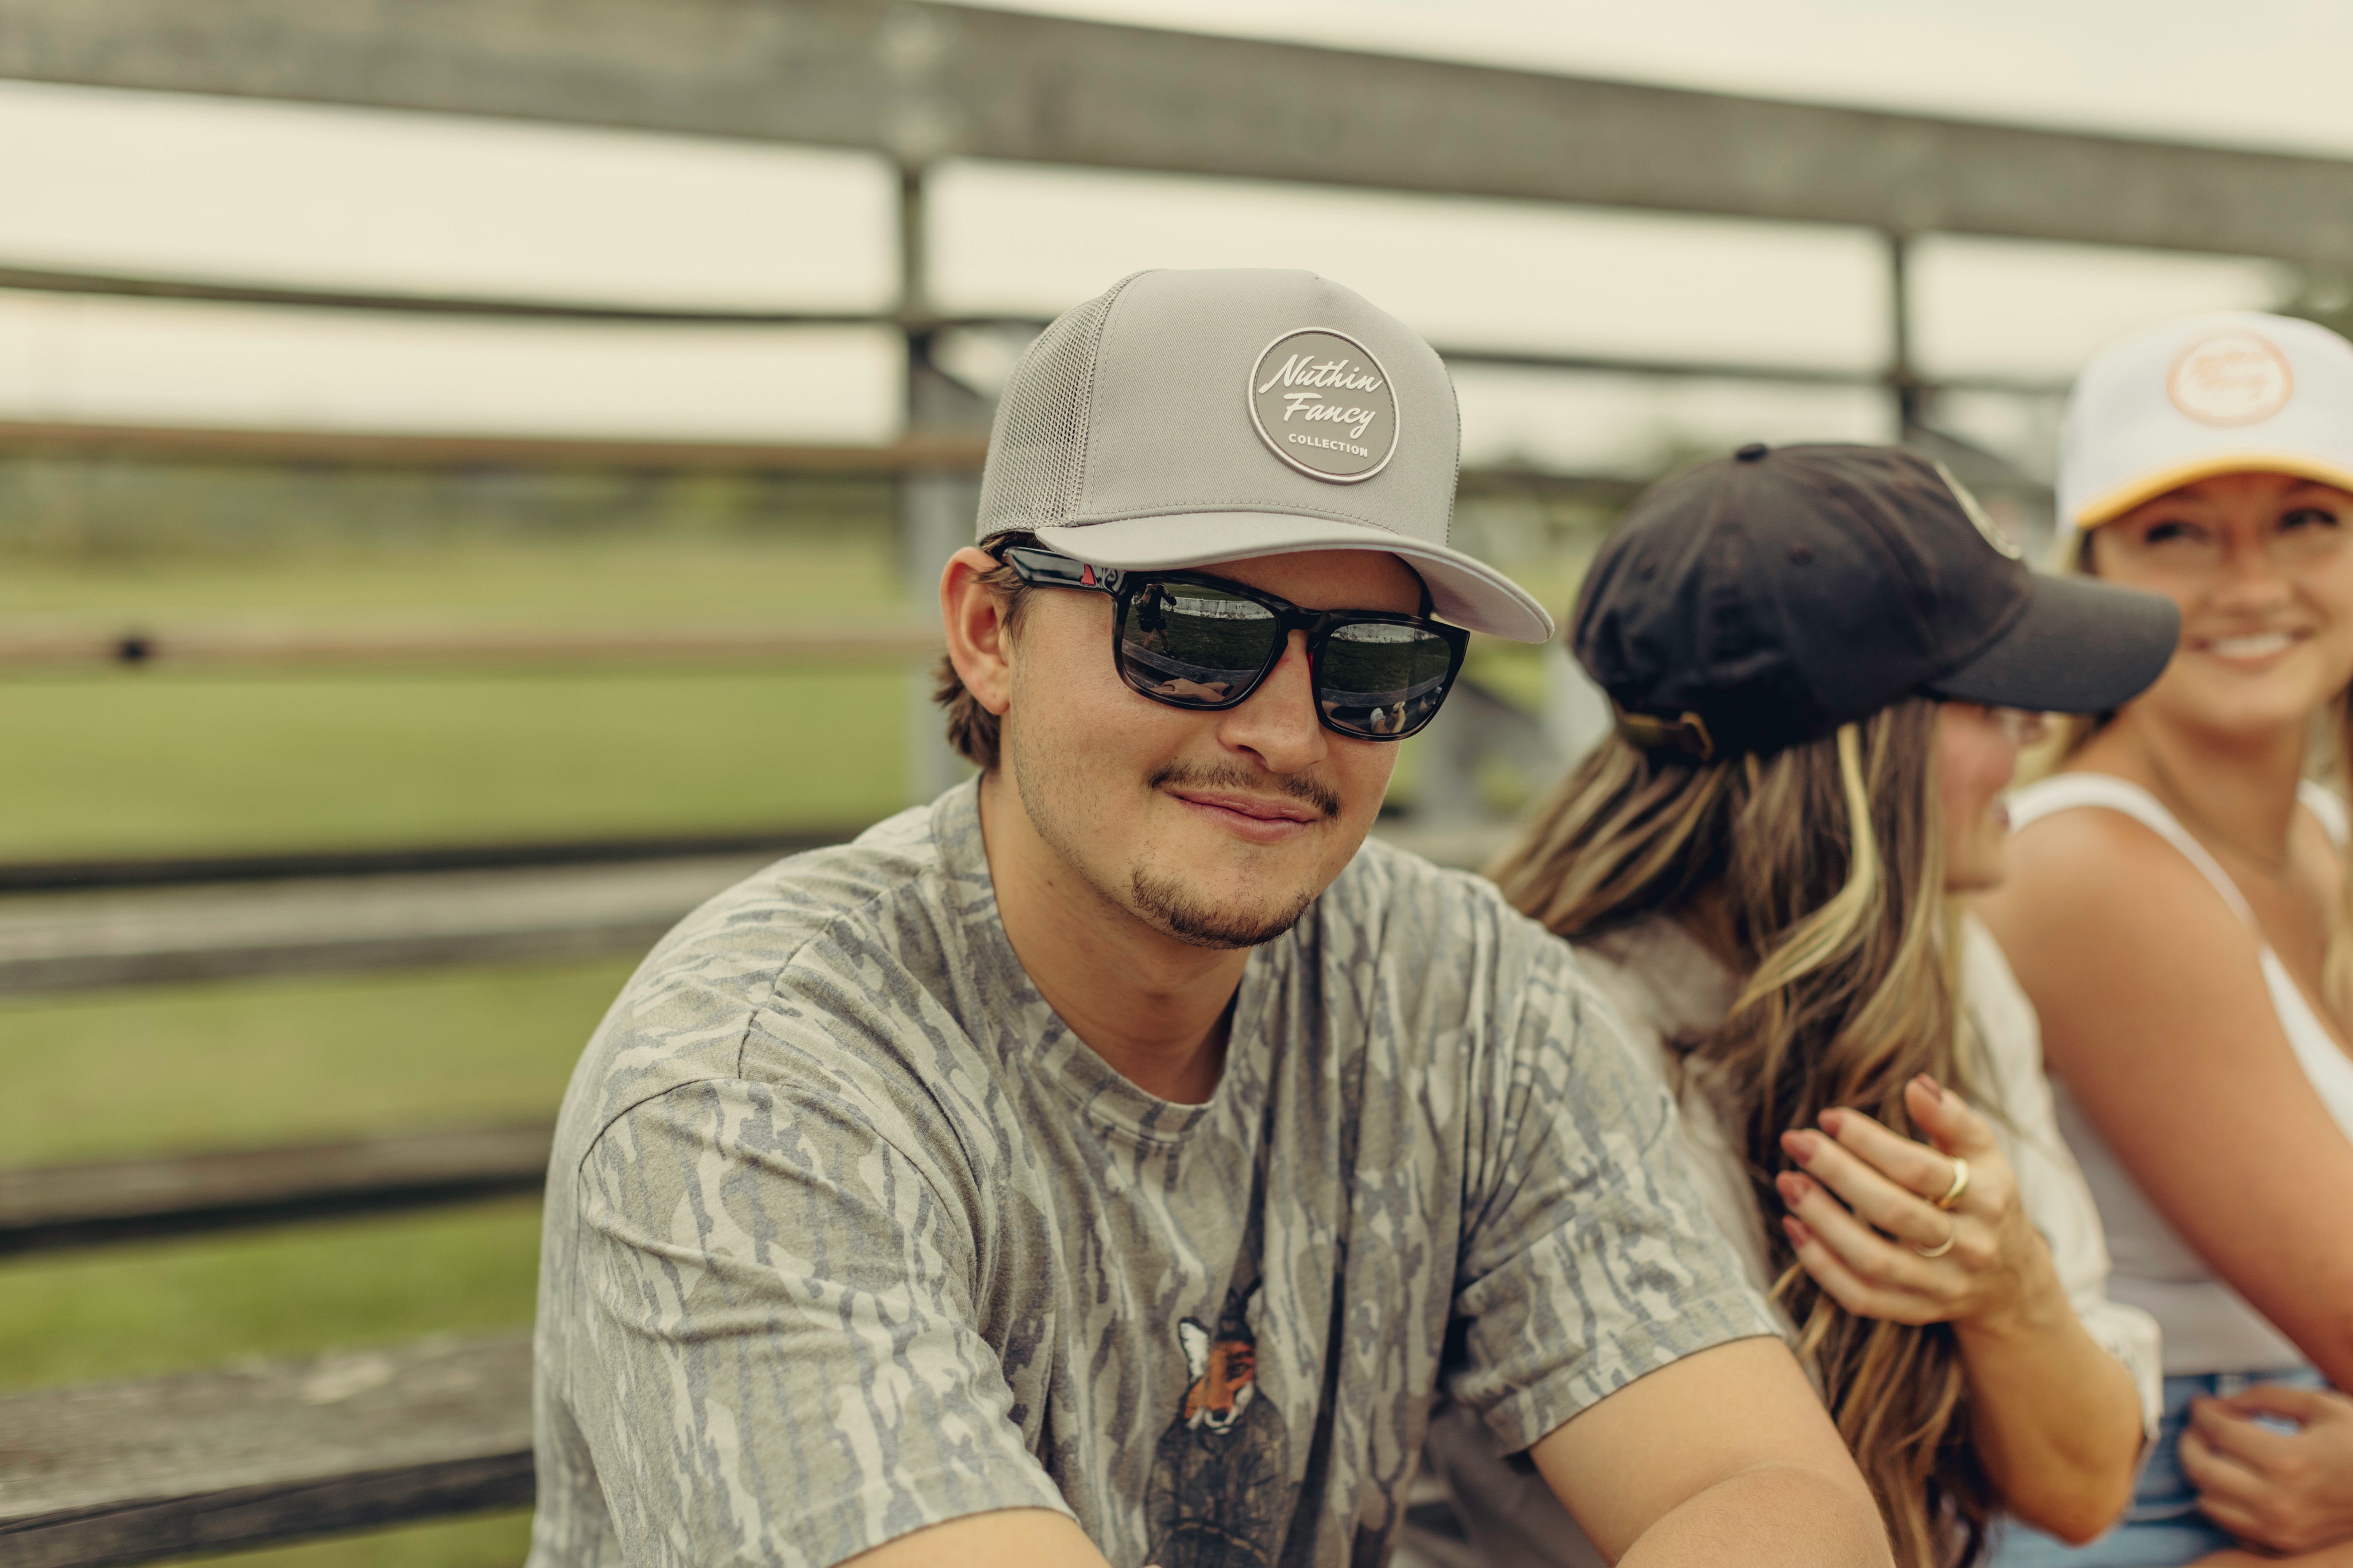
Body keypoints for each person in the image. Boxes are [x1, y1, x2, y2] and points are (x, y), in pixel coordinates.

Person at [524, 270, 1893, 1568]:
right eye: (1192, 631)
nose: (1286, 732)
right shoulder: (750, 1084)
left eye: (1374, 664)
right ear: (988, 630)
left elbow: (1766, 1494)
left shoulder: (1463, 994)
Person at [1417, 443, 2180, 1568]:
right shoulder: (1561, 1042)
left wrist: (2008, 1292)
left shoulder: (1953, 974)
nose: (2035, 729)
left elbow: (2077, 1492)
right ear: (1858, 749)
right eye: (1988, 694)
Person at [1981, 312, 2353, 1567]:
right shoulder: (2084, 862)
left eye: (2306, 519)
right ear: (2089, 566)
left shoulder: (2319, 833)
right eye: (2177, 534)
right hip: (2166, 1502)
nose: (2250, 584)